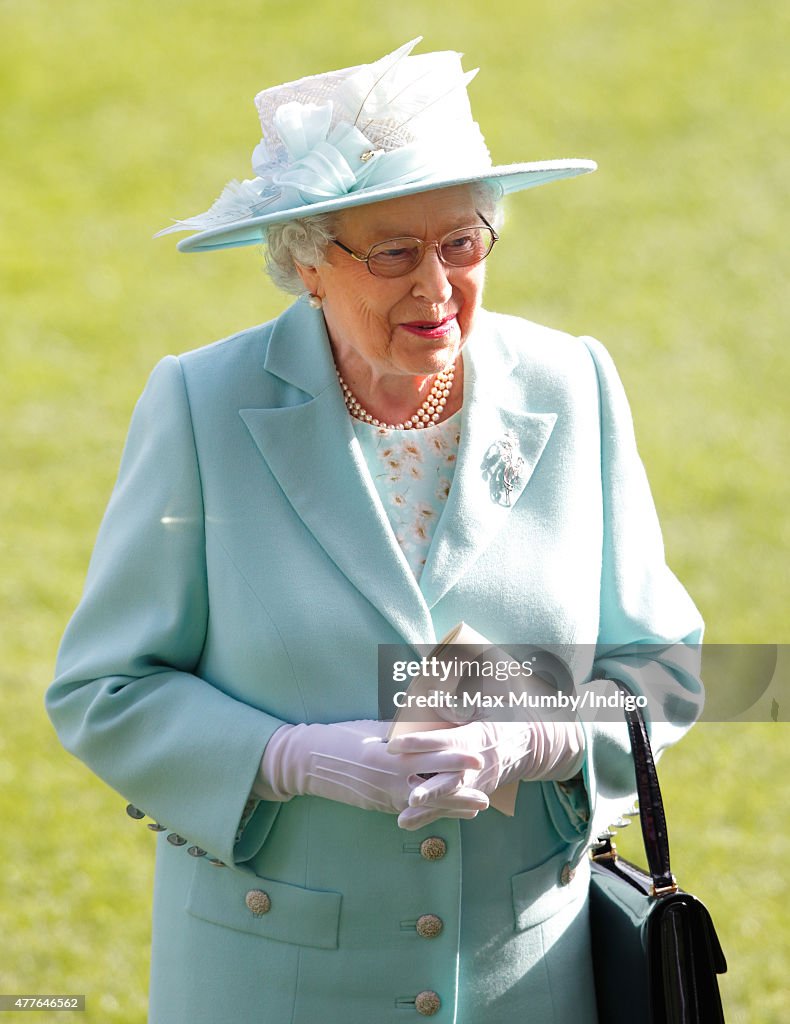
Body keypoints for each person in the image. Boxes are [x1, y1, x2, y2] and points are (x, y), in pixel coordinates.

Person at [46, 38, 704, 1024]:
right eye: (392, 252)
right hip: (277, 975)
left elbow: (679, 670)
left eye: (463, 243)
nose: (436, 290)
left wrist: (535, 735)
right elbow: (104, 689)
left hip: (522, 975)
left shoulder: (574, 382)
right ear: (306, 266)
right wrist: (287, 757)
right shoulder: (200, 403)